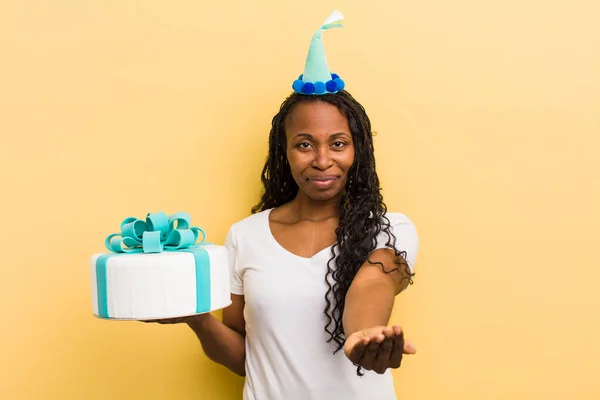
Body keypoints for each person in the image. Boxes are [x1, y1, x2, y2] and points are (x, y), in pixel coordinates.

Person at [149, 11, 420, 400]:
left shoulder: (392, 228)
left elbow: (373, 283)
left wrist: (363, 336)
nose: (322, 160)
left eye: (338, 143)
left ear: (358, 151)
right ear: (285, 152)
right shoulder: (245, 237)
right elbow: (248, 358)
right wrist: (196, 320)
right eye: (305, 144)